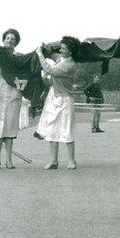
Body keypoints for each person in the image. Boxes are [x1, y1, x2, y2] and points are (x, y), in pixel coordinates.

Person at [35, 36, 80, 170]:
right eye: (61, 47)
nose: (61, 49)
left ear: (70, 51)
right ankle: (54, 160)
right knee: (52, 130)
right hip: (53, 97)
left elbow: (49, 69)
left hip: (65, 100)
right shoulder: (61, 60)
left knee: (66, 130)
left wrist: (39, 54)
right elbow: (53, 59)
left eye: (64, 48)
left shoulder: (69, 66)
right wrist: (46, 50)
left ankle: (72, 161)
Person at [0, 29, 23, 169]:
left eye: (13, 39)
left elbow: (26, 69)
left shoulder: (19, 56)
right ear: (3, 40)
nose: (10, 40)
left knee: (9, 125)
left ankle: (9, 160)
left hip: (12, 91)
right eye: (7, 38)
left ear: (16, 42)